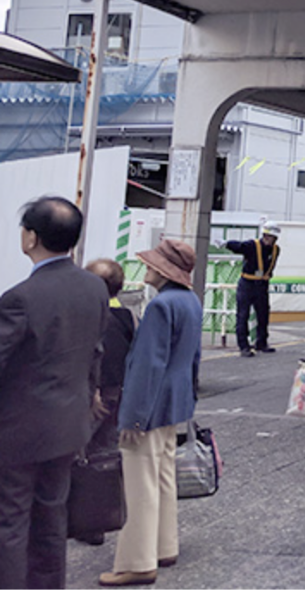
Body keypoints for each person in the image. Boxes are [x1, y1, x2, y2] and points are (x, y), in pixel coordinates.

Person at [1, 196, 109, 590]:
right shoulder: (94, 288)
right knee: (51, 518)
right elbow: (96, 351)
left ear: (30, 237)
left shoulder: (19, 299)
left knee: (10, 522)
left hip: (18, 430)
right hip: (68, 425)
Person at [99, 239, 203, 587]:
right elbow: (193, 358)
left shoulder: (160, 306)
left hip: (150, 402)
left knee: (139, 482)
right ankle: (164, 545)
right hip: (176, 400)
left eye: (150, 265)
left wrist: (133, 416)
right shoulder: (190, 300)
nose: (146, 269)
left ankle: (138, 561)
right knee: (162, 475)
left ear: (162, 271)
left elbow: (147, 366)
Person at [75, 259, 137, 546]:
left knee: (80, 453)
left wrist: (94, 391)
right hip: (118, 393)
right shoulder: (127, 317)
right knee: (104, 454)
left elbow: (94, 356)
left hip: (95, 395)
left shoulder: (92, 316)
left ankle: (79, 518)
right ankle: (97, 520)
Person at [224, 223, 281, 357]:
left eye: (271, 237)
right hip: (247, 283)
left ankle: (261, 343)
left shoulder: (275, 250)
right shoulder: (252, 245)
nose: (268, 239)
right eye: (266, 236)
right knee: (243, 315)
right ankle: (243, 346)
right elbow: (239, 246)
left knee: (263, 314)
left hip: (261, 284)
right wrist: (226, 243)